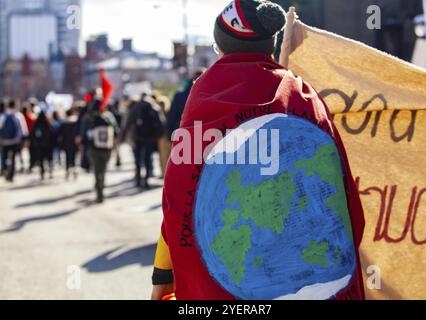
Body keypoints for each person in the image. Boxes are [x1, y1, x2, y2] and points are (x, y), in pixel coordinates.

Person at [152, 0, 365, 300]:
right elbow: (342, 196)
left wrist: (163, 274)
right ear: (270, 48)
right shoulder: (302, 95)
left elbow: (179, 196)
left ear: (222, 48)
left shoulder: (205, 93)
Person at [122, 92, 166, 188]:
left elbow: (129, 121)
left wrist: (123, 136)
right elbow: (161, 122)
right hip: (149, 138)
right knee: (147, 158)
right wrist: (157, 136)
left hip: (137, 137)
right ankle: (146, 179)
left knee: (137, 160)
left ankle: (138, 179)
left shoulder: (136, 107)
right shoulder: (154, 107)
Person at [80, 99, 119, 203]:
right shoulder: (109, 116)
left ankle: (99, 192)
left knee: (97, 171)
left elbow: (83, 134)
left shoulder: (88, 117)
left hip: (93, 148)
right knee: (103, 170)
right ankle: (101, 188)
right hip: (107, 148)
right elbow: (116, 131)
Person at [166, 69, 204, 139]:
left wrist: (170, 135)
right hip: (204, 134)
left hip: (183, 133)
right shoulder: (210, 96)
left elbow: (172, 116)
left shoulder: (179, 96)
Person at [0, 99, 29, 182]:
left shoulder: (4, 115)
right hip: (15, 140)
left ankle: (5, 170)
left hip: (5, 140)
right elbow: (24, 129)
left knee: (5, 156)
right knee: (13, 157)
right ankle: (12, 173)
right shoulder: (18, 115)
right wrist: (25, 139)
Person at [30, 111, 56, 180]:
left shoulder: (36, 125)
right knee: (49, 159)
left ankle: (42, 172)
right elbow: (53, 134)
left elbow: (32, 135)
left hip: (40, 146)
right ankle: (50, 170)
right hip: (48, 146)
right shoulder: (48, 124)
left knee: (41, 160)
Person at [58, 108, 79, 180]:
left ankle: (68, 170)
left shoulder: (64, 123)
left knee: (67, 157)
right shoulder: (76, 122)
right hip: (75, 143)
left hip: (66, 143)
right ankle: (74, 169)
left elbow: (60, 133)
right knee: (74, 157)